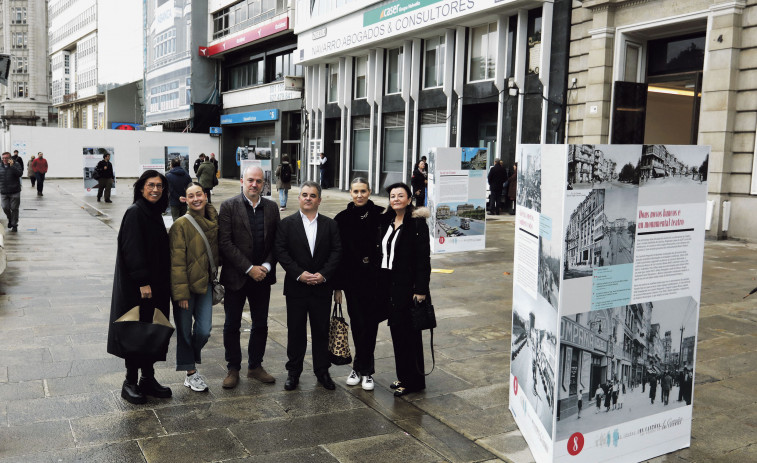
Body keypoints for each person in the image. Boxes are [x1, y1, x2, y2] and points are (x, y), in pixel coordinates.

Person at [106, 170, 172, 405]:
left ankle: (148, 378)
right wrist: (143, 281)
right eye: (151, 185)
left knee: (150, 332)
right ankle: (130, 382)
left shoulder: (154, 212)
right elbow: (131, 249)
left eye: (159, 186)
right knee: (136, 333)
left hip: (156, 286)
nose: (155, 190)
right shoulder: (135, 212)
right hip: (140, 288)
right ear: (141, 188)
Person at [275, 181, 342, 391]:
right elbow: (281, 251)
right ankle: (293, 372)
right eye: (304, 194)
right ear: (299, 198)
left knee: (320, 331)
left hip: (322, 288)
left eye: (312, 195)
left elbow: (336, 252)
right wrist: (298, 274)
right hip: (296, 288)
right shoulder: (287, 224)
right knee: (295, 331)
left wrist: (324, 275)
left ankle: (322, 371)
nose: (308, 198)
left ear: (319, 200)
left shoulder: (330, 225)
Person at [218, 166, 281, 388]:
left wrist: (264, 266)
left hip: (262, 277)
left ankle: (255, 366)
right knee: (231, 325)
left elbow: (277, 242)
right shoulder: (228, 206)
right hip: (236, 277)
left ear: (264, 183)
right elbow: (225, 242)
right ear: (242, 181)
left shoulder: (272, 208)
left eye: (259, 181)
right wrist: (248, 268)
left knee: (261, 324)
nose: (254, 184)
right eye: (250, 180)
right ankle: (233, 368)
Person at [379, 182, 431, 397]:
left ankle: (414, 381)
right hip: (391, 286)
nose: (396, 199)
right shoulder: (388, 221)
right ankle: (404, 376)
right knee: (398, 333)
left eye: (401, 195)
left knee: (410, 335)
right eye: (392, 196)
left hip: (408, 288)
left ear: (409, 199)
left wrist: (421, 289)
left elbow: (423, 260)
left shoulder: (417, 224)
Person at [333, 178, 384, 391]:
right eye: (356, 191)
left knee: (371, 325)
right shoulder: (341, 219)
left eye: (363, 191)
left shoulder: (381, 215)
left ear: (369, 191)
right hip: (352, 281)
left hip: (375, 280)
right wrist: (337, 287)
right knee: (357, 323)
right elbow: (336, 254)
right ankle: (360, 367)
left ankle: (366, 370)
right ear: (350, 193)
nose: (360, 195)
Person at [169, 182, 218, 392]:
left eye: (199, 194)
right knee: (185, 332)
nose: (196, 198)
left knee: (204, 330)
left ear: (205, 196)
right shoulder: (180, 224)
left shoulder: (214, 221)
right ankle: (190, 373)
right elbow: (176, 261)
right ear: (185, 200)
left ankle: (189, 358)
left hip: (205, 284)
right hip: (185, 288)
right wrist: (180, 294)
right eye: (191, 196)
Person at [1, 152, 23, 232]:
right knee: (4, 207)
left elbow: (20, 174)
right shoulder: (0, 166)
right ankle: (10, 219)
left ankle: (14, 224)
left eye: (6, 158)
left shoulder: (16, 164)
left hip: (15, 191)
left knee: (14, 208)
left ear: (10, 158)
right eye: (3, 158)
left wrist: (12, 166)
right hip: (3, 191)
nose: (4, 159)